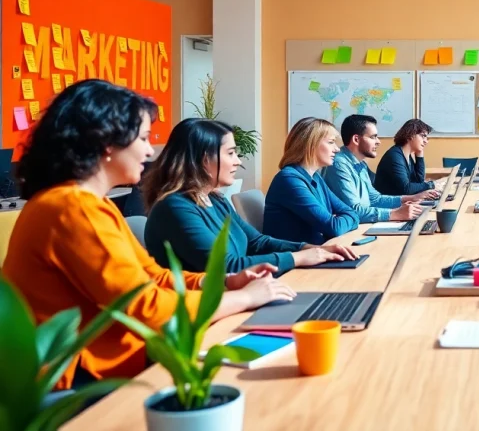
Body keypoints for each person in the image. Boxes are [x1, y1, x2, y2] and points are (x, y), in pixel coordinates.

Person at [1, 80, 295, 389]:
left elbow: (153, 277)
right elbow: (149, 309)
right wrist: (245, 297)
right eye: (143, 138)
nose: (149, 149)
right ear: (107, 143)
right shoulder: (72, 208)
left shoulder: (88, 203)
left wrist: (222, 282)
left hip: (113, 365)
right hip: (77, 384)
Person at [143, 118, 358, 274]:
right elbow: (227, 267)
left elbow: (257, 242)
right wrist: (299, 257)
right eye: (230, 153)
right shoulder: (175, 207)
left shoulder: (215, 200)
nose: (238, 161)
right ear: (202, 159)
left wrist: (311, 249)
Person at [263, 117, 361, 245]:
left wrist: (341, 220)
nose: (337, 149)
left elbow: (352, 213)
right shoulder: (289, 180)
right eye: (331, 142)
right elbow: (334, 228)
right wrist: (339, 220)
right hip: (295, 261)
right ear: (311, 145)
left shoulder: (315, 177)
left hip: (316, 253)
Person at [322, 114, 425, 223]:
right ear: (356, 139)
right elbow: (352, 210)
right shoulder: (339, 164)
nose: (378, 142)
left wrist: (410, 198)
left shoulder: (360, 164)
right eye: (373, 137)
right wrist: (394, 213)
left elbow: (375, 199)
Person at [374, 118, 444, 198]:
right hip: (389, 206)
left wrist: (419, 155)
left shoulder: (407, 155)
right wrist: (431, 185)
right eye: (423, 136)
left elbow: (418, 181)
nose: (426, 141)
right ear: (411, 135)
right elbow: (406, 188)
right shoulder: (395, 156)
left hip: (402, 202)